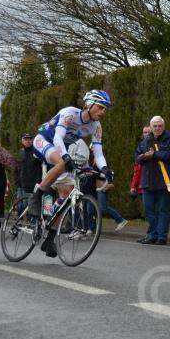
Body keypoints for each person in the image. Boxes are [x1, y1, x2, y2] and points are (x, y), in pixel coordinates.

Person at [27, 89, 113, 257]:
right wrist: (66, 157)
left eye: (105, 109)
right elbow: (58, 137)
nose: (103, 112)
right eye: (100, 107)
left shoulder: (96, 126)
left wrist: (104, 169)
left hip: (59, 149)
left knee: (66, 195)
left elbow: (98, 153)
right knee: (61, 163)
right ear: (89, 105)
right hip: (44, 141)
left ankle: (50, 238)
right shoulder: (69, 113)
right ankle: (36, 195)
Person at [135, 115, 170, 245]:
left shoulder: (169, 139)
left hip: (164, 182)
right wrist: (144, 156)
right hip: (147, 181)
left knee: (163, 210)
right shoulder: (145, 141)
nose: (157, 128)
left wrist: (155, 154)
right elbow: (137, 157)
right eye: (155, 126)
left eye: (160, 126)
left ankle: (162, 236)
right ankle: (152, 234)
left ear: (163, 127)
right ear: (151, 127)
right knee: (148, 209)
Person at [16, 133, 42, 201]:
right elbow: (16, 169)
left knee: (35, 206)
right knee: (23, 207)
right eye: (25, 139)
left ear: (32, 140)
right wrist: (18, 183)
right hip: (23, 186)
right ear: (22, 141)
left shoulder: (37, 152)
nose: (28, 141)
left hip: (35, 186)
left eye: (29, 139)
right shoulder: (20, 153)